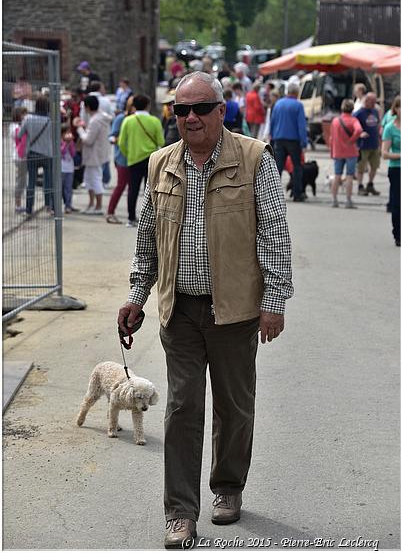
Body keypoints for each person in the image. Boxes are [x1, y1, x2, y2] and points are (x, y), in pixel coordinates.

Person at [117, 71, 293, 549]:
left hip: (234, 312)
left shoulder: (255, 159)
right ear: (172, 115)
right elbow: (147, 240)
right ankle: (179, 512)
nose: (190, 118)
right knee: (181, 408)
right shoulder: (160, 165)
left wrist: (273, 302)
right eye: (181, 110)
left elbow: (273, 234)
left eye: (200, 108)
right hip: (181, 312)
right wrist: (137, 294)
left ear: (222, 111)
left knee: (235, 409)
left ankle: (228, 488)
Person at [118, 94, 165, 227]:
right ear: (148, 105)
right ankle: (150, 218)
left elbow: (121, 142)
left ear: (134, 106)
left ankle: (131, 218)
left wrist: (129, 154)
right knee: (151, 190)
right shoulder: (154, 121)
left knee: (132, 189)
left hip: (134, 159)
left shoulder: (128, 121)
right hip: (151, 159)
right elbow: (161, 141)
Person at [270, 82, 308, 202]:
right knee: (297, 167)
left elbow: (273, 121)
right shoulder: (298, 105)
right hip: (293, 140)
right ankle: (297, 193)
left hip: (279, 138)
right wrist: (304, 142)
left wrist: (272, 136)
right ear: (296, 93)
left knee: (277, 168)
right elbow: (301, 125)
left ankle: (273, 195)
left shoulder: (278, 103)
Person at [73, 95, 111, 215]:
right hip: (97, 153)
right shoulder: (101, 117)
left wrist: (79, 128)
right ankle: (91, 205)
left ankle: (98, 206)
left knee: (94, 180)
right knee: (90, 179)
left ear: (88, 107)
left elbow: (88, 139)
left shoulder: (95, 120)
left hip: (93, 154)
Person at [17, 95, 54, 217]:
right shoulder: (50, 120)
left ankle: (28, 209)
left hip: (32, 152)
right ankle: (50, 207)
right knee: (48, 182)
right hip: (48, 153)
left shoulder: (28, 118)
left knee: (31, 182)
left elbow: (20, 134)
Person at [105, 95, 136, 224]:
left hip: (135, 158)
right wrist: (120, 140)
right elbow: (111, 137)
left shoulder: (139, 118)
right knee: (121, 185)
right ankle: (110, 212)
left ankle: (131, 215)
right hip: (122, 158)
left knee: (132, 188)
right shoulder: (121, 118)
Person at [329, 99, 364, 209]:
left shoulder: (335, 121)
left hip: (338, 151)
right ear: (352, 109)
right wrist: (352, 140)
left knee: (337, 175)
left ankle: (334, 200)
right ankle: (348, 200)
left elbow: (331, 138)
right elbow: (359, 130)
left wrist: (331, 151)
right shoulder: (354, 120)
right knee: (349, 175)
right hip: (350, 151)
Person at [381, 96, 401, 246]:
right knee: (398, 203)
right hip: (397, 169)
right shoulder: (390, 128)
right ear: (396, 109)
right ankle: (398, 233)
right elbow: (385, 153)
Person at [353, 92, 381, 196]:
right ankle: (360, 186)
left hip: (374, 144)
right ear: (366, 101)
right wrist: (359, 134)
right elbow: (352, 127)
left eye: (375, 102)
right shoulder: (359, 113)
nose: (374, 104)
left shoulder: (374, 111)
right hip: (363, 145)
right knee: (361, 167)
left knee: (374, 166)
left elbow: (377, 124)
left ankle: (370, 184)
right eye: (372, 102)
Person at [11, 106, 28, 213]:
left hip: (19, 156)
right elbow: (20, 139)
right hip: (20, 156)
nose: (26, 116)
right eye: (24, 114)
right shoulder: (17, 127)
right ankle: (18, 204)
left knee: (21, 180)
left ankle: (19, 203)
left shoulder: (15, 126)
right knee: (21, 181)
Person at [60, 124, 77, 214]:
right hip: (61, 168)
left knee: (68, 188)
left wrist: (71, 144)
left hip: (70, 168)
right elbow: (61, 152)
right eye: (67, 132)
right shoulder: (59, 142)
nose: (68, 134)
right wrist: (66, 143)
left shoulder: (71, 142)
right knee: (60, 188)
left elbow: (73, 154)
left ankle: (68, 205)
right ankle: (55, 206)